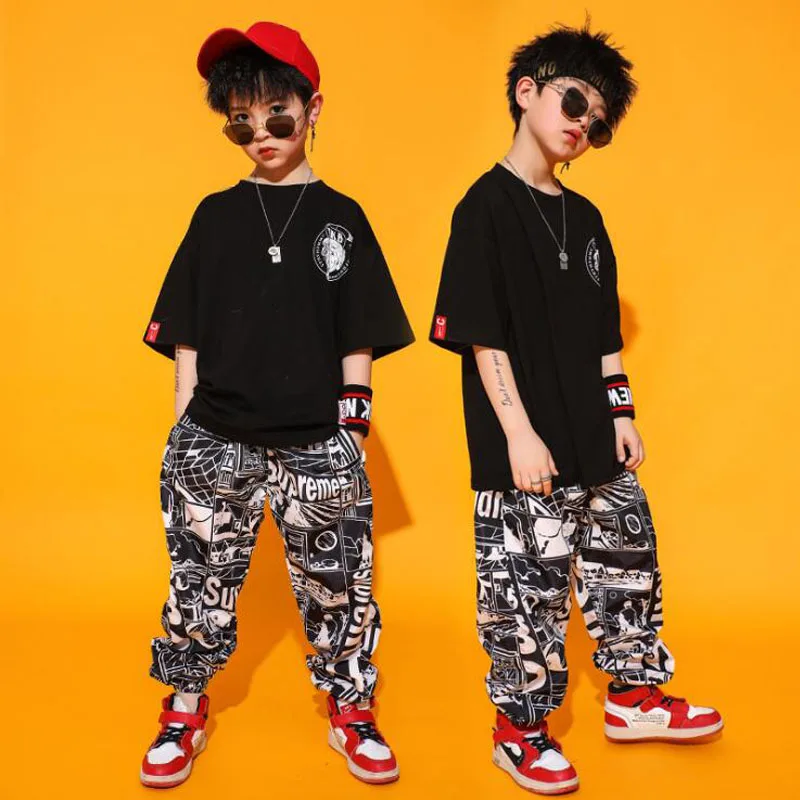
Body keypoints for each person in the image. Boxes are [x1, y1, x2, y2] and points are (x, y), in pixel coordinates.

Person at [429, 22, 722, 795]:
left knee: (629, 567)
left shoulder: (586, 218)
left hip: (596, 442)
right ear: (526, 92)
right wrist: (518, 433)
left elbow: (604, 338)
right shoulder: (483, 208)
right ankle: (519, 731)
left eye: (597, 122)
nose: (582, 126)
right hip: (526, 452)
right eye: (573, 103)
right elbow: (482, 335)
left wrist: (621, 414)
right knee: (525, 594)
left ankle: (633, 697)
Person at [139, 21, 413, 789]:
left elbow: (359, 331)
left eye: (277, 115)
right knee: (198, 582)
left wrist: (352, 429)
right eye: (241, 121)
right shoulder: (214, 215)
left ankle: (351, 709)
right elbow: (186, 331)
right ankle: (184, 707)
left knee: (338, 586)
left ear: (312, 108)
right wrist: (182, 432)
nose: (260, 133)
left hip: (318, 440)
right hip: (214, 437)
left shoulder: (343, 216)